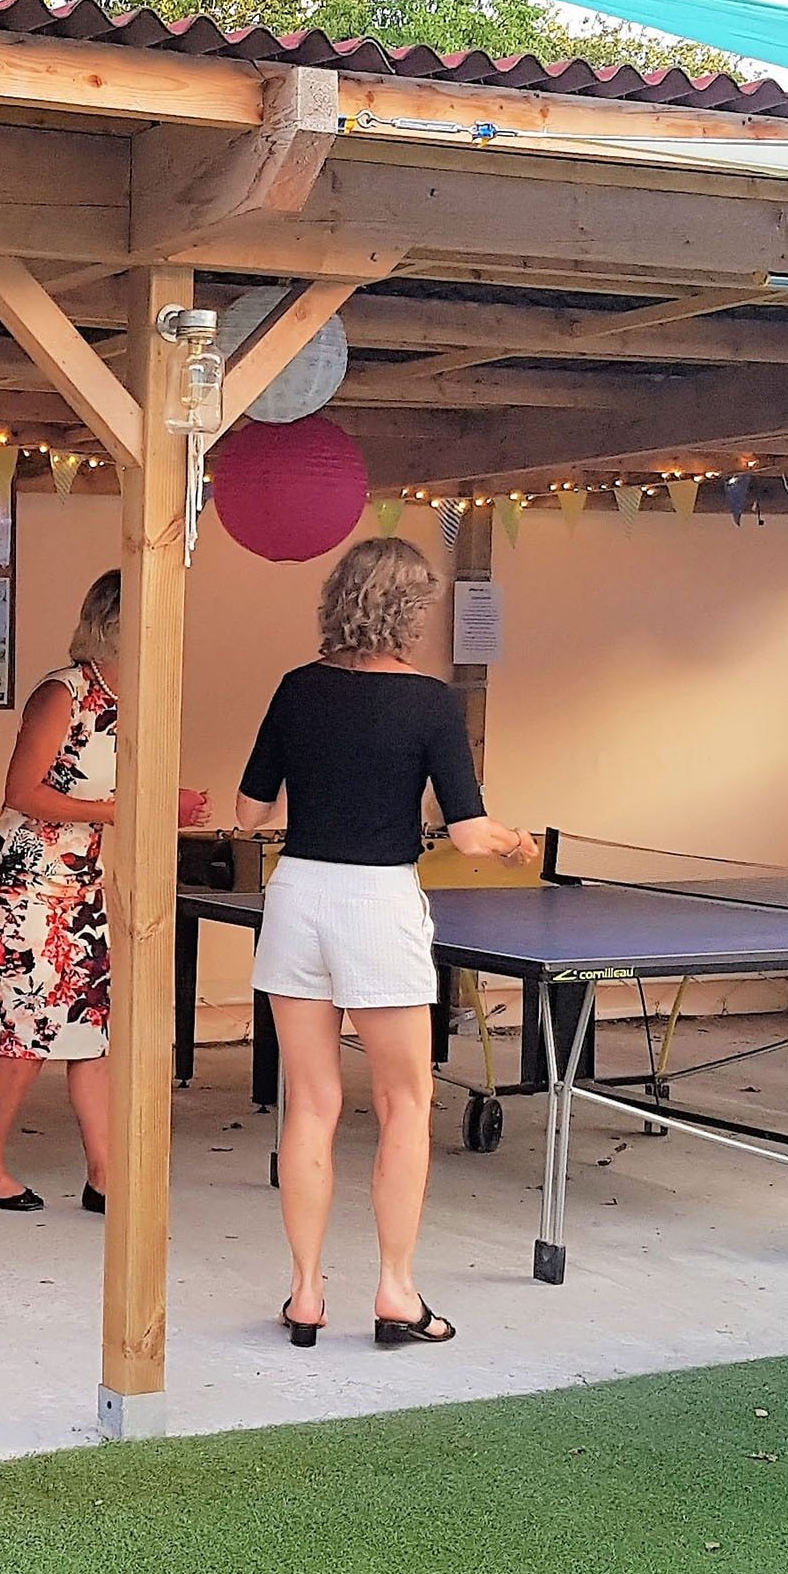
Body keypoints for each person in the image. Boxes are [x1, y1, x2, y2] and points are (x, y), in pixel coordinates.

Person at [234, 537, 542, 1350]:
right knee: (405, 1102)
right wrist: (515, 844)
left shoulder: (297, 688)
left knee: (311, 1103)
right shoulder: (432, 703)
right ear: (412, 612)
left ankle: (306, 1294)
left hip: (298, 895)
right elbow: (470, 834)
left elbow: (249, 813)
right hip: (377, 902)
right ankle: (397, 1293)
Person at [0, 569, 209, 1213]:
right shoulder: (63, 693)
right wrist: (138, 808)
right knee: (26, 1035)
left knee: (91, 1033)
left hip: (82, 886)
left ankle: (105, 1175)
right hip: (24, 885)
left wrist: (167, 805)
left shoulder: (138, 700)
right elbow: (23, 792)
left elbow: (121, 795)